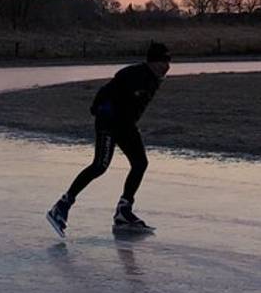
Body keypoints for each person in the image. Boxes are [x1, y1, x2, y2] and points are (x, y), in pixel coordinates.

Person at [46, 42, 171, 237]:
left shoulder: (155, 79)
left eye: (169, 61)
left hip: (126, 125)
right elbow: (104, 92)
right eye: (164, 61)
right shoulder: (132, 74)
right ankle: (61, 206)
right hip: (109, 123)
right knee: (100, 165)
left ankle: (124, 211)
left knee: (140, 163)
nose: (167, 66)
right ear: (153, 62)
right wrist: (100, 110)